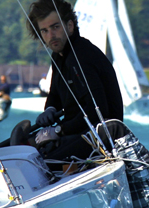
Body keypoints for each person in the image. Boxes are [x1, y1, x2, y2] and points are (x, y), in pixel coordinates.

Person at [25, 0, 122, 160]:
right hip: (76, 132)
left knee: (40, 160)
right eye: (45, 31)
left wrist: (58, 131)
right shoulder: (59, 55)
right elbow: (55, 93)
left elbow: (97, 112)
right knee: (22, 146)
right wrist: (49, 109)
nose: (51, 36)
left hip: (100, 138)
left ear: (69, 26)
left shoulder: (81, 56)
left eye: (55, 27)